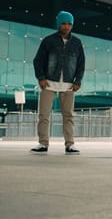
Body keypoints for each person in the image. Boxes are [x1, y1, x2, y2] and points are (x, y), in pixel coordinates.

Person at [31, 11, 85, 155]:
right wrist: (41, 78)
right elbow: (38, 61)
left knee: (68, 115)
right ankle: (43, 143)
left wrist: (78, 81)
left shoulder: (77, 43)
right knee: (44, 114)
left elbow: (81, 64)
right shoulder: (48, 41)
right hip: (48, 82)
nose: (66, 26)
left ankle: (70, 144)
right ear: (58, 24)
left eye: (69, 24)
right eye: (63, 23)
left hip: (68, 85)